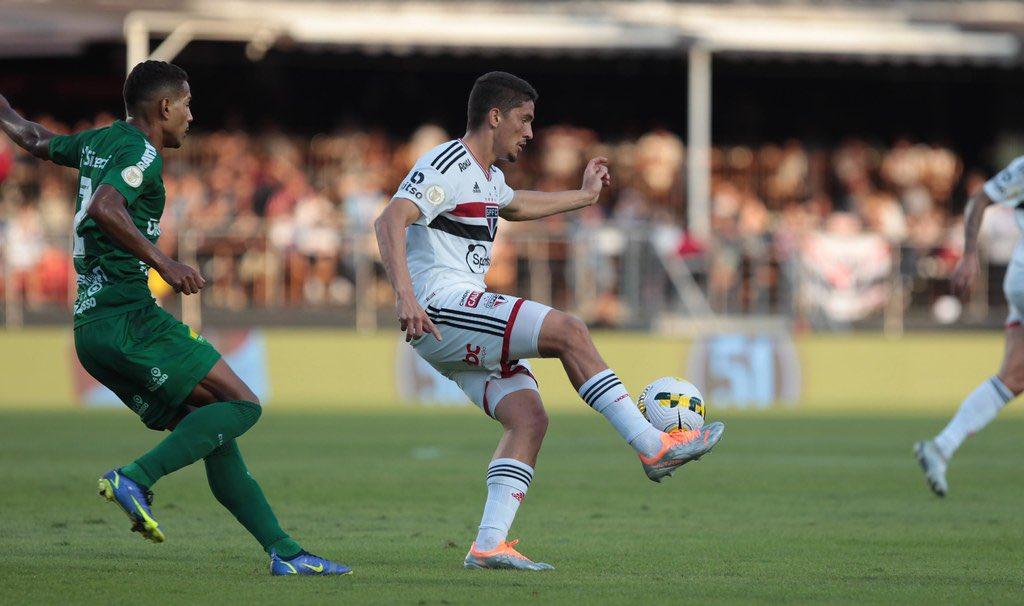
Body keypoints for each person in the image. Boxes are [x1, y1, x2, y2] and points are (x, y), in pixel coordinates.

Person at [0, 61, 348, 575]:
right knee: (243, 404)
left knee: (211, 431)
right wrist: (166, 262)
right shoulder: (140, 151)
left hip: (91, 330)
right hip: (128, 317)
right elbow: (104, 206)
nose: (191, 114)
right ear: (164, 107)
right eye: (186, 102)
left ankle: (286, 553)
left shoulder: (99, 142)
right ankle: (135, 477)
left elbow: (31, 137)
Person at [374, 71, 725, 571]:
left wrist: (582, 198)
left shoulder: (487, 176)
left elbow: (514, 204)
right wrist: (405, 298)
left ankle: (488, 545)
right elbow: (389, 219)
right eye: (525, 119)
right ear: (494, 116)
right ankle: (653, 446)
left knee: (528, 417)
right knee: (569, 330)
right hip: (437, 306)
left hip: (451, 319)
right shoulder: (446, 162)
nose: (530, 132)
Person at [915, 156, 1024, 497]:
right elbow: (979, 198)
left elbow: (980, 198)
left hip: (1018, 276)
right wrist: (969, 255)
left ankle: (941, 447)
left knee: (1013, 377)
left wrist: (969, 255)